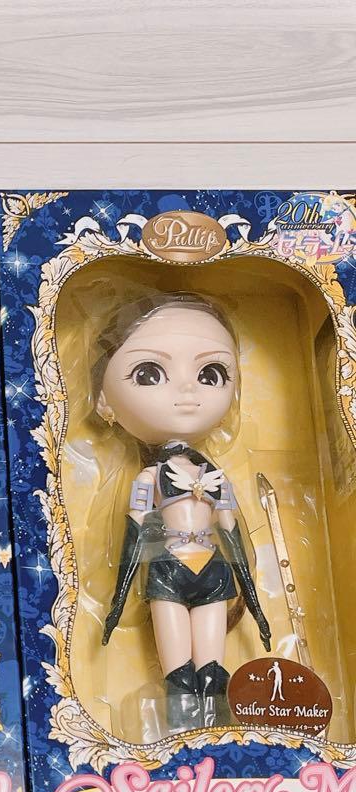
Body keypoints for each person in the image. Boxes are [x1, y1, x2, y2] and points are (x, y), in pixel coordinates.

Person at [95, 293, 270, 731]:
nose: (188, 391)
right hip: (168, 572)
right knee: (179, 674)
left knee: (212, 671)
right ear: (103, 399)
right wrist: (118, 601)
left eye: (211, 374)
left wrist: (253, 602)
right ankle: (181, 741)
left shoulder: (217, 478)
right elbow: (134, 539)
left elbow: (233, 539)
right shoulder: (147, 479)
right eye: (150, 373)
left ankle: (217, 737)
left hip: (213, 572)